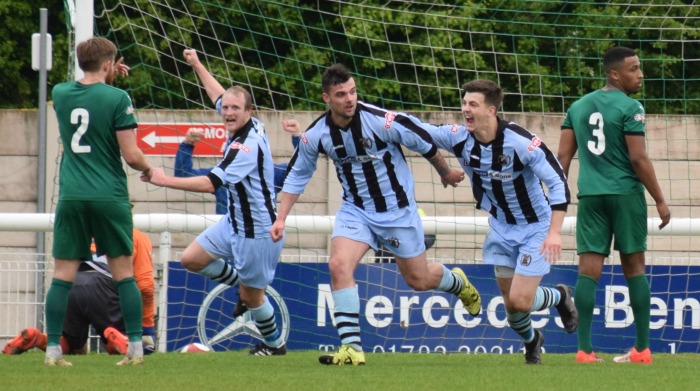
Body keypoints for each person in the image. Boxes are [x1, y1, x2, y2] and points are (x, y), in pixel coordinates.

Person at [270, 63, 480, 366]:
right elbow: (297, 177)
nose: (350, 98)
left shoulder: (381, 121)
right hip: (356, 211)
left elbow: (424, 143)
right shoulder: (316, 134)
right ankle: (352, 348)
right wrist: (281, 218)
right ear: (326, 98)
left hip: (397, 213)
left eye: (353, 91)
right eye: (341, 94)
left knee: (419, 280)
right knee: (338, 264)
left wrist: (445, 172)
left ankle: (458, 283)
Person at [419, 79, 578, 364]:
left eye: (473, 104)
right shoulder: (459, 137)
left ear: (491, 110)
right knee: (512, 309)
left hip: (535, 227)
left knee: (520, 301)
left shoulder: (520, 142)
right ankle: (533, 341)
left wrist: (554, 232)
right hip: (501, 227)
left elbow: (558, 183)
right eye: (464, 102)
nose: (465, 109)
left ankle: (559, 296)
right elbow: (419, 131)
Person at [142, 48, 287, 356]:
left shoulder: (246, 147)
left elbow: (210, 183)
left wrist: (162, 179)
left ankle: (275, 345)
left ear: (249, 112)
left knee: (253, 297)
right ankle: (241, 285)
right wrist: (196, 64)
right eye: (227, 108)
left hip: (257, 231)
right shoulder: (245, 121)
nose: (228, 112)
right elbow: (218, 94)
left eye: (236, 108)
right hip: (233, 222)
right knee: (191, 259)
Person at [558, 46, 671, 364]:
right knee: (635, 267)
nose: (640, 74)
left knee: (588, 269)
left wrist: (556, 199)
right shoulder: (631, 107)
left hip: (591, 197)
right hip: (625, 196)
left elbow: (562, 159)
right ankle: (642, 349)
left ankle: (584, 351)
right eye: (634, 69)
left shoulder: (577, 107)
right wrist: (660, 201)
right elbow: (638, 157)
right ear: (614, 74)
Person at [47, 37, 153, 367]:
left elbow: (87, 97)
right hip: (108, 195)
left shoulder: (60, 93)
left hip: (72, 195)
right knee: (123, 274)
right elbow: (131, 155)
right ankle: (135, 348)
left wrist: (105, 76)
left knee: (62, 274)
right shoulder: (118, 97)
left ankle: (52, 349)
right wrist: (150, 169)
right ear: (109, 64)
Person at [3, 228, 156, 356]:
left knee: (71, 345)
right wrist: (147, 328)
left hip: (70, 284)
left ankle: (37, 339)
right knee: (121, 339)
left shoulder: (79, 233)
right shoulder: (136, 236)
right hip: (105, 284)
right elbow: (146, 286)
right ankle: (116, 336)